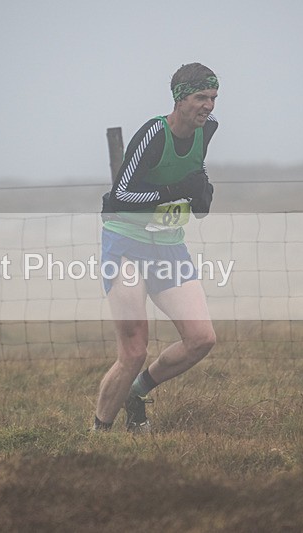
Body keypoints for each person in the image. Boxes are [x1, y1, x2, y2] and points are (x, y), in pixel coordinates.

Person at [94, 62, 219, 432]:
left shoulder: (207, 129)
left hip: (168, 247)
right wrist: (174, 191)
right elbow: (121, 195)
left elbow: (194, 173)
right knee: (133, 352)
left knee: (201, 339)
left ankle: (137, 392)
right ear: (179, 99)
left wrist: (202, 192)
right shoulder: (154, 133)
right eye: (201, 97)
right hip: (126, 244)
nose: (208, 105)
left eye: (213, 97)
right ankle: (99, 435)